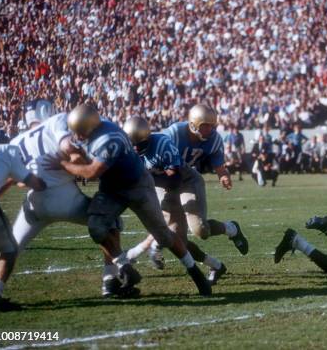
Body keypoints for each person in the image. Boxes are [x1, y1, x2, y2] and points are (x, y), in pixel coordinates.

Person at [45, 104, 211, 296]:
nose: (78, 136)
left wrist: (63, 164)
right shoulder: (95, 129)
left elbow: (91, 173)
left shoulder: (109, 139)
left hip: (138, 185)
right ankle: (124, 268)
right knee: (97, 227)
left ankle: (195, 273)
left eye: (81, 132)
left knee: (164, 236)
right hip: (112, 188)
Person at [8, 100, 125, 298]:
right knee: (111, 223)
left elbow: (16, 181)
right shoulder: (56, 121)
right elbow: (72, 152)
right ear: (46, 110)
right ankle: (110, 280)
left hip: (34, 202)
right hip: (65, 198)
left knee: (11, 246)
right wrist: (83, 163)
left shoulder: (16, 141)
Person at [123, 116, 227, 285]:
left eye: (138, 143)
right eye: (131, 143)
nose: (134, 148)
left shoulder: (162, 144)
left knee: (199, 229)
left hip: (185, 181)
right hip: (163, 185)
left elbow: (175, 180)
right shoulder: (127, 150)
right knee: (178, 240)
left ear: (147, 138)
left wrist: (145, 178)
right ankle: (216, 265)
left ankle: (230, 229)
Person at [160, 104, 249, 253]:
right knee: (171, 230)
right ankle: (208, 265)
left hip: (188, 179)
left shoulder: (214, 139)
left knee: (200, 230)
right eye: (205, 125)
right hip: (164, 180)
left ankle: (231, 229)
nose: (209, 130)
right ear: (193, 124)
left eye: (211, 125)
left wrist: (224, 176)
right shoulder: (174, 133)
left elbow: (220, 168)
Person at [0, 133, 46, 311]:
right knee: (9, 249)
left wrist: (11, 181)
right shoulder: (6, 151)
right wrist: (45, 183)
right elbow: (35, 183)